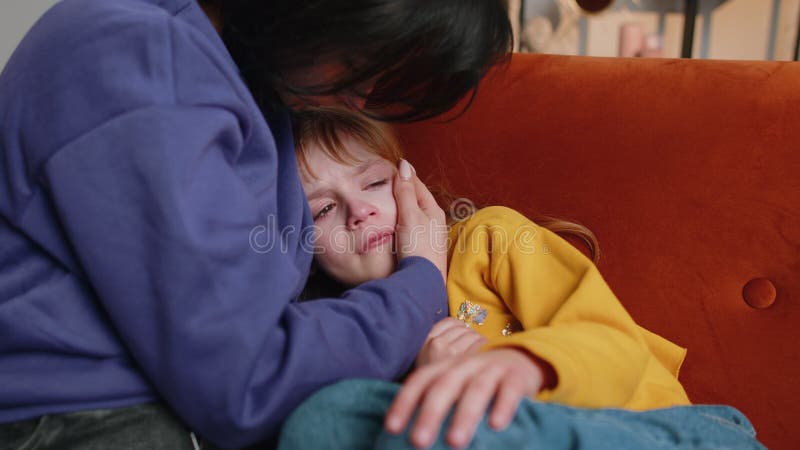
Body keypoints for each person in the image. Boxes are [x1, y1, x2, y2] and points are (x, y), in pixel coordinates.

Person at [0, 0, 513, 449]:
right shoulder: (143, 59)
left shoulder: (242, 80)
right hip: (81, 420)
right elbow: (246, 380)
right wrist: (420, 277)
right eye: (355, 63)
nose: (359, 99)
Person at [277, 107, 764, 450]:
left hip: (663, 429)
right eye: (322, 209)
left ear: (412, 183)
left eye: (375, 183)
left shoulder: (488, 237)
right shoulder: (344, 330)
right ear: (308, 252)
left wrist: (517, 365)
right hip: (489, 433)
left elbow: (614, 343)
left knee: (449, 426)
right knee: (321, 420)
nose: (359, 211)